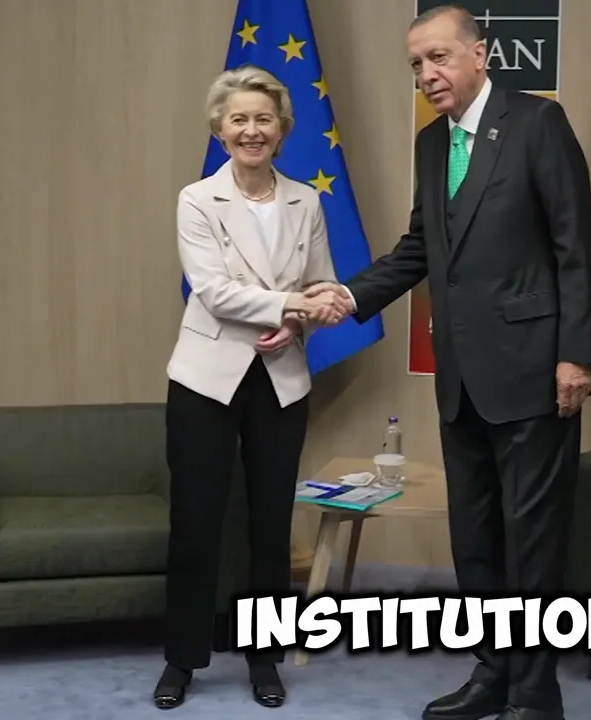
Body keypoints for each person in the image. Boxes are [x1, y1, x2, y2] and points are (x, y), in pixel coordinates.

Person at [309, 5, 591, 720]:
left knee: (531, 544)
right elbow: (420, 247)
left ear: (481, 54)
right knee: (476, 538)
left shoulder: (537, 125)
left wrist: (575, 355)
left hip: (535, 372)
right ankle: (491, 676)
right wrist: (349, 294)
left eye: (437, 58)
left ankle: (537, 697)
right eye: (415, 65)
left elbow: (577, 247)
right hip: (462, 379)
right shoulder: (433, 144)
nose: (427, 75)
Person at [152, 64, 345, 711]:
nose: (251, 130)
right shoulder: (196, 199)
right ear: (219, 127)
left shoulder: (306, 201)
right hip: (207, 379)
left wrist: (298, 327)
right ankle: (182, 658)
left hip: (280, 380)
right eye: (239, 119)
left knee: (271, 526)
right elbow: (212, 291)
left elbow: (323, 288)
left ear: (284, 131)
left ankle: (266, 659)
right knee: (197, 523)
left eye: (263, 119)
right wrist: (291, 307)